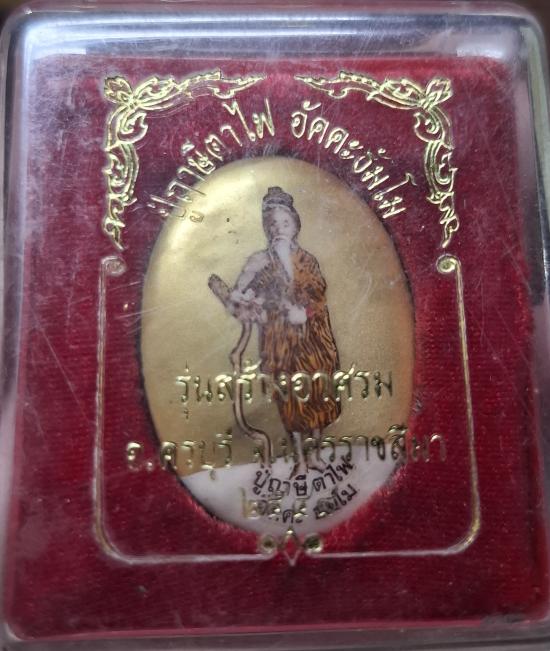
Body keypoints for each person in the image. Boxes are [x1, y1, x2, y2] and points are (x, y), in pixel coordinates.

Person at [222, 186, 341, 475]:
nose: (279, 229)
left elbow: (320, 296)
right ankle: (299, 458)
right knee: (290, 398)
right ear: (267, 228)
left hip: (313, 339)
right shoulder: (260, 262)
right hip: (281, 340)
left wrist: (306, 313)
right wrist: (247, 301)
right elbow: (244, 292)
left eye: (285, 223)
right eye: (273, 224)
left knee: (318, 392)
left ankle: (315, 454)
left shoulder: (308, 261)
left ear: (295, 225)